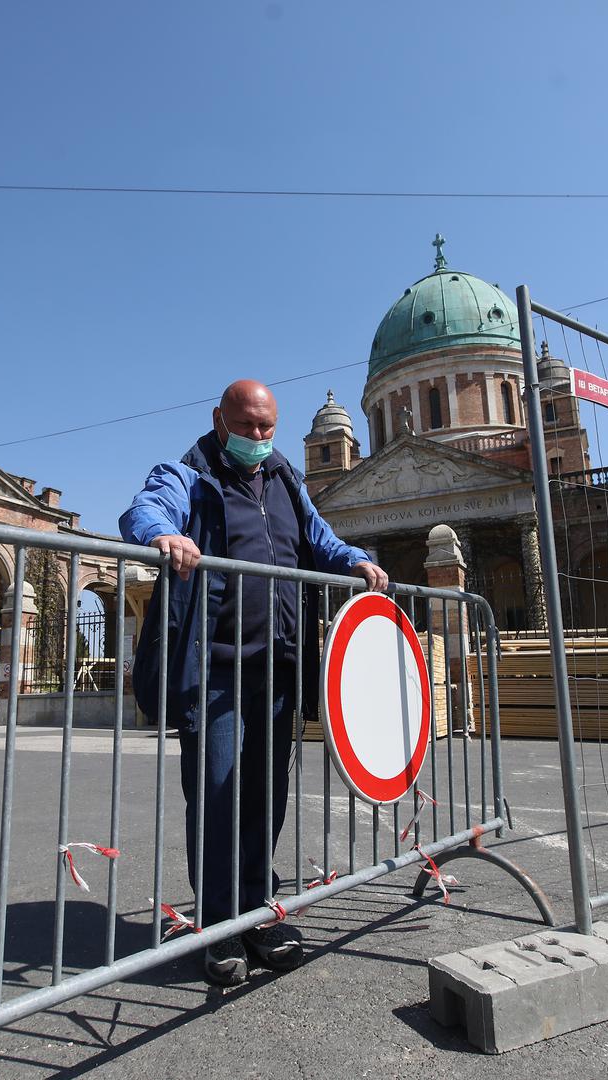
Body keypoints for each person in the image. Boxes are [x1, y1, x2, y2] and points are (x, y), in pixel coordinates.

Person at [120, 379, 387, 986]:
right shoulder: (191, 473)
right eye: (247, 427)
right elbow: (146, 507)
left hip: (279, 669)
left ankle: (259, 912)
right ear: (221, 420)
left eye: (267, 427)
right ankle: (218, 927)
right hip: (214, 673)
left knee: (267, 795)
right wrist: (162, 534)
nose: (258, 438)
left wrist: (353, 562)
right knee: (217, 796)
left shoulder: (287, 481)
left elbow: (320, 540)